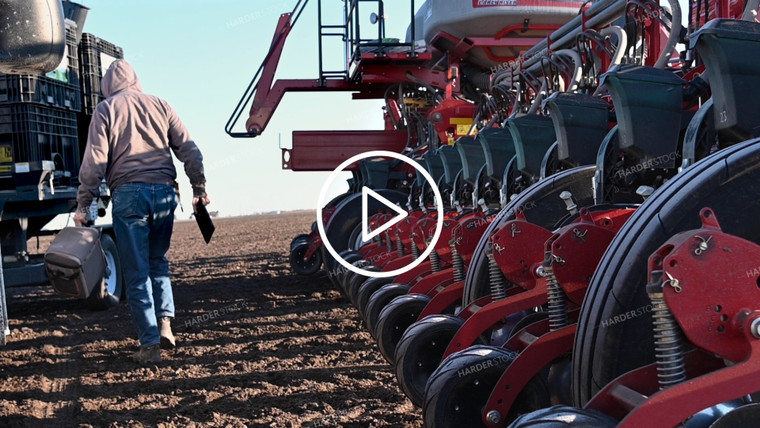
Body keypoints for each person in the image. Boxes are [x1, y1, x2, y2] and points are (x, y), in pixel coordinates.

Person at [75, 59, 209, 365]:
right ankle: (165, 325)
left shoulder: (106, 109)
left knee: (136, 273)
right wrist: (199, 188)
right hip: (164, 193)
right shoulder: (160, 104)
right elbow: (190, 149)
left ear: (107, 86)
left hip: (129, 196)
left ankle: (149, 345)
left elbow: (94, 162)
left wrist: (84, 205)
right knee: (157, 262)